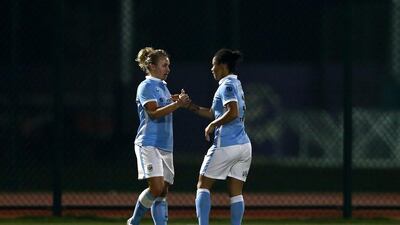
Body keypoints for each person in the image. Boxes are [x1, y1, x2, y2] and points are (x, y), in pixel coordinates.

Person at [185, 49, 252, 225]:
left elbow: (233, 112)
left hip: (226, 144)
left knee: (203, 185)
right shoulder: (236, 84)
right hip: (244, 146)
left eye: (214, 65)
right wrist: (189, 106)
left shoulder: (226, 86)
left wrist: (213, 125)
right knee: (236, 192)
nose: (212, 69)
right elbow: (214, 113)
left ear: (222, 65)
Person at [127, 47, 190, 225]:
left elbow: (164, 102)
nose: (168, 69)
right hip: (148, 143)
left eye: (168, 65)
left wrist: (176, 99)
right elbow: (153, 113)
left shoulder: (162, 86)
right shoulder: (145, 86)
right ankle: (134, 221)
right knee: (156, 188)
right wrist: (177, 104)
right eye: (164, 65)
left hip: (165, 144)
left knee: (163, 192)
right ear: (151, 66)